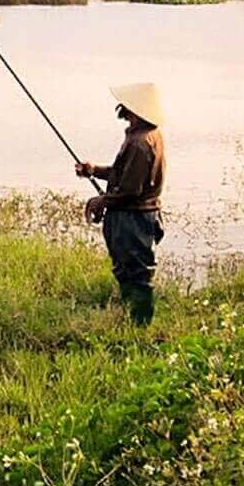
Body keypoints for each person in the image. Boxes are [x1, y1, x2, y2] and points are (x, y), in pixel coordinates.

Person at [75, 83, 166, 326]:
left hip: (133, 219)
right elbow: (124, 174)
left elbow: (130, 190)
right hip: (135, 216)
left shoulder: (139, 143)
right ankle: (133, 319)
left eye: (126, 108)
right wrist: (94, 171)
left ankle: (139, 326)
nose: (122, 112)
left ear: (136, 111)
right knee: (128, 270)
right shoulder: (148, 136)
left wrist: (100, 200)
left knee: (136, 274)